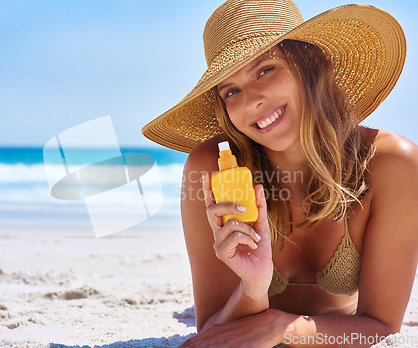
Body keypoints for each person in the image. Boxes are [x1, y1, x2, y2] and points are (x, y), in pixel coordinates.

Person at [142, 0, 418, 346]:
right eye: (231, 90)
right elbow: (213, 329)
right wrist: (254, 288)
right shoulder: (211, 168)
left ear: (311, 66)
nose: (252, 101)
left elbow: (381, 327)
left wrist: (282, 326)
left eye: (265, 70)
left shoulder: (391, 164)